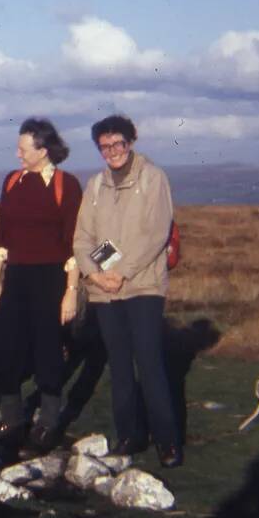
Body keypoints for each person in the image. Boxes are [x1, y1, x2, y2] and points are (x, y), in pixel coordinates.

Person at [72, 115, 183, 468]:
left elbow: (156, 233)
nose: (112, 151)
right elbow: (84, 238)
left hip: (144, 286)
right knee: (119, 366)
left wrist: (123, 273)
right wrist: (95, 274)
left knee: (149, 363)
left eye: (118, 143)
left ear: (131, 142)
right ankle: (129, 436)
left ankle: (167, 442)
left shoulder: (153, 178)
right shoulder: (95, 186)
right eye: (104, 146)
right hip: (106, 290)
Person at [0, 118, 83, 452]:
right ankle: (11, 418)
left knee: (47, 349)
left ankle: (47, 421)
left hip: (51, 278)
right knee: (6, 346)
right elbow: (2, 233)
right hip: (15, 277)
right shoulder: (12, 181)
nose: (17, 154)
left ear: (43, 150)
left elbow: (74, 243)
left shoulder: (66, 185)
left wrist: (71, 292)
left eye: (23, 149)